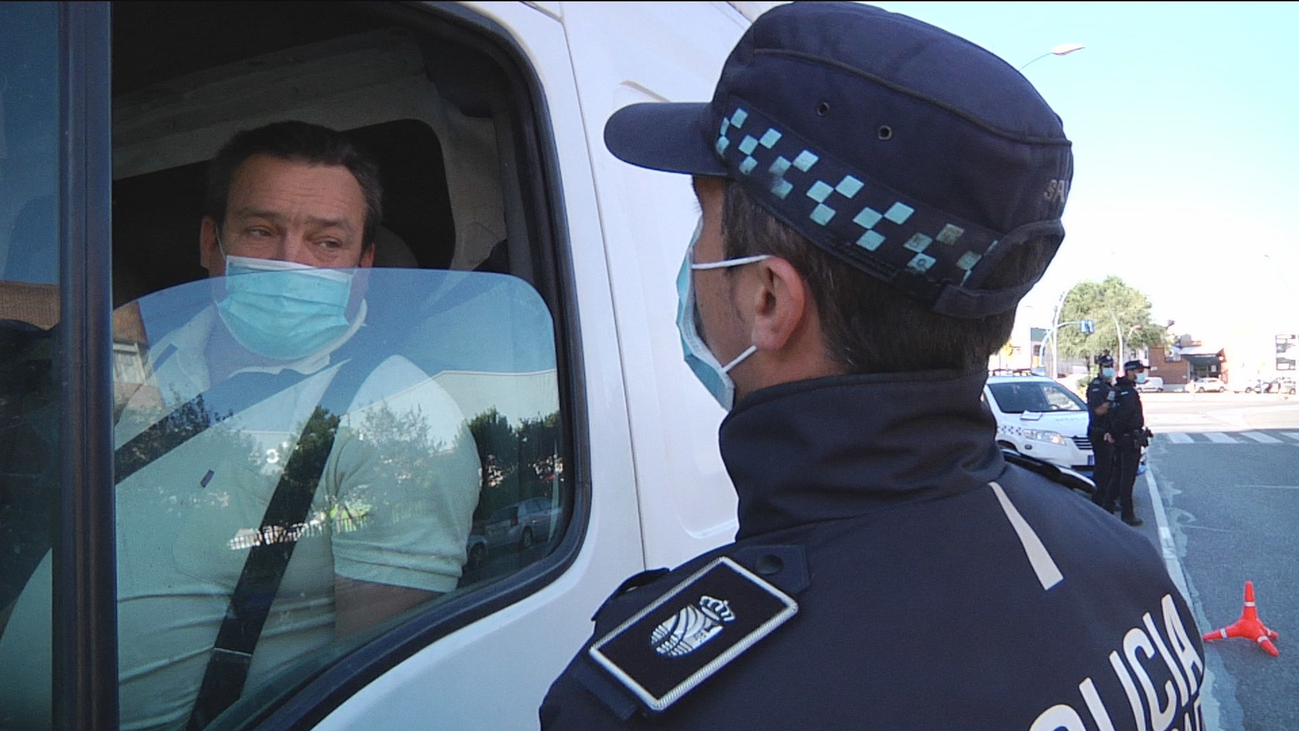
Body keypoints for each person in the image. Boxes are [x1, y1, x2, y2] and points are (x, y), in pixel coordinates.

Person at [540, 4, 1204, 729]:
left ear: (768, 297)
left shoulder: (674, 705)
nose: (693, 256)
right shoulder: (1125, 566)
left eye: (704, 221)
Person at [0, 121, 482, 729]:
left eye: (326, 243)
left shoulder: (400, 415)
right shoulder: (149, 353)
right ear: (211, 243)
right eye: (261, 230)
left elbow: (372, 693)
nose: (290, 263)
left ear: (364, 267)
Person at [1104, 359, 1151, 527]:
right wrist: (1115, 432)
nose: (1141, 374)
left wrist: (1111, 432)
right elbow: (1125, 416)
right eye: (1139, 371)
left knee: (1116, 476)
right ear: (1130, 372)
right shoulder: (1129, 393)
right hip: (1128, 439)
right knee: (1127, 478)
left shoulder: (1116, 389)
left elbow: (1109, 412)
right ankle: (1127, 514)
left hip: (1119, 438)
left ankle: (1107, 509)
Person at [1087, 354, 1118, 511]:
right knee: (1102, 469)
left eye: (1111, 366)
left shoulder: (1109, 386)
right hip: (1099, 433)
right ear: (1100, 369)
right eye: (1106, 366)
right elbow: (1099, 410)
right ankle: (1098, 502)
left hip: (1109, 433)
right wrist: (1112, 401)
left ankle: (1108, 500)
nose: (1109, 369)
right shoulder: (1096, 386)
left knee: (1111, 469)